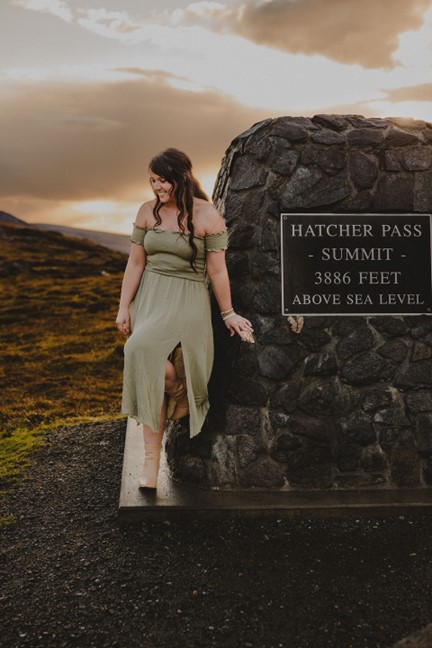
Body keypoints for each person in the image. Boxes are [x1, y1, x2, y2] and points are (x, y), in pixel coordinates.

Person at [116, 148, 254, 490]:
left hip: (188, 297)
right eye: (153, 179)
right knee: (141, 353)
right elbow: (135, 263)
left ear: (181, 177)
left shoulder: (208, 215)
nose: (157, 187)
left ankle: (179, 393)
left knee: (142, 354)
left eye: (163, 180)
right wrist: (123, 307)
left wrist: (228, 312)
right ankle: (154, 456)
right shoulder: (147, 211)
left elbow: (217, 270)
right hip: (150, 296)